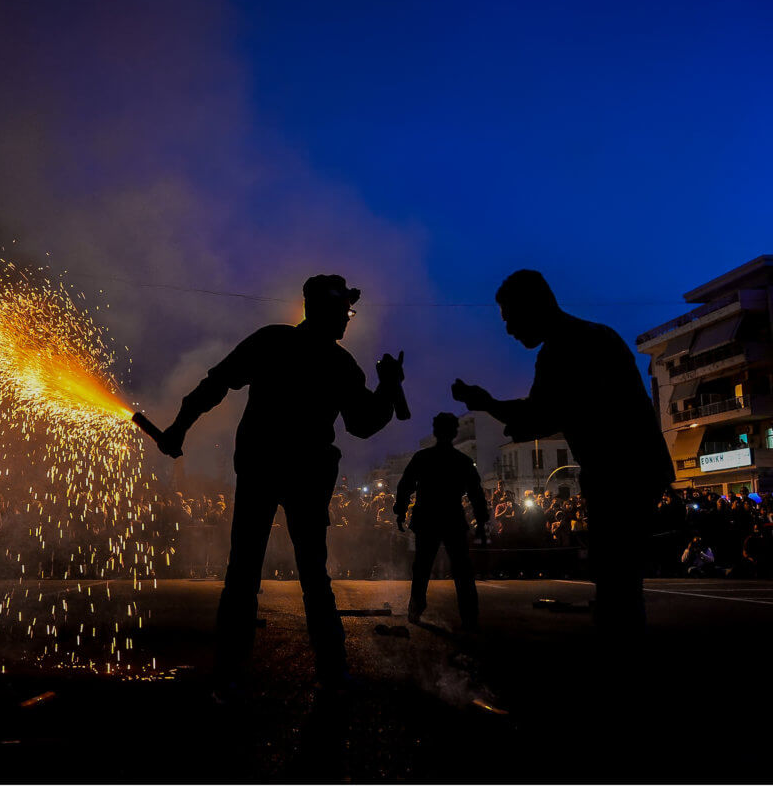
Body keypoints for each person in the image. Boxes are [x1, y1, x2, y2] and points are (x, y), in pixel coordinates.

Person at [156, 274, 406, 693]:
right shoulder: (339, 363)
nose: (348, 319)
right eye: (345, 311)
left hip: (261, 467)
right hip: (305, 474)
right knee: (313, 574)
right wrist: (388, 387)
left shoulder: (273, 342)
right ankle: (332, 669)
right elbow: (364, 424)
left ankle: (231, 671)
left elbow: (214, 384)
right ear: (325, 309)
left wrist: (179, 428)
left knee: (244, 571)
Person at [453, 269, 673, 642]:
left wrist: (487, 403)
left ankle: (623, 649)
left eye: (510, 318)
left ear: (532, 307)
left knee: (615, 574)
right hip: (639, 468)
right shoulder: (597, 336)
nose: (508, 330)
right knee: (620, 574)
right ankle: (623, 640)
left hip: (619, 473)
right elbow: (546, 414)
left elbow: (538, 416)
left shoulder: (562, 349)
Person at [393, 413, 488, 630]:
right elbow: (476, 494)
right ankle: (469, 615)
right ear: (455, 433)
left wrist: (400, 512)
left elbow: (404, 485)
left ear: (436, 431)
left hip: (426, 518)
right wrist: (481, 522)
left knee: (422, 566)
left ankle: (416, 608)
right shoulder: (462, 461)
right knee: (462, 569)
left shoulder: (422, 458)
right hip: (452, 518)